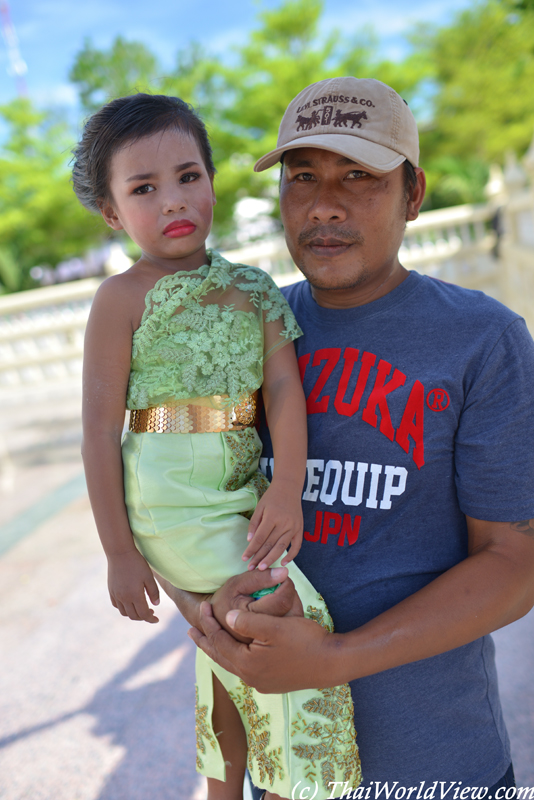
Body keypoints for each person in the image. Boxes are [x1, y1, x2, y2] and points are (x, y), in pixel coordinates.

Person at [174, 77, 534, 792]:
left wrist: (335, 658)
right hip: (286, 764)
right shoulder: (243, 337)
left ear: (414, 193)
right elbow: (177, 493)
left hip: (434, 762)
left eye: (359, 176)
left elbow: (513, 563)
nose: (324, 203)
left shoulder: (482, 340)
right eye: (302, 176)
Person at [73, 93, 360, 800]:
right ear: (113, 212)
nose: (173, 199)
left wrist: (286, 487)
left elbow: (285, 394)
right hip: (167, 494)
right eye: (144, 188)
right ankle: (309, 785)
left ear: (210, 178)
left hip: (239, 488)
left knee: (227, 645)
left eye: (188, 176)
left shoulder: (255, 291)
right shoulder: (121, 298)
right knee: (282, 613)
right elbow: (97, 429)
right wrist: (118, 551)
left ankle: (224, 788)